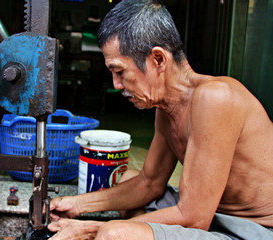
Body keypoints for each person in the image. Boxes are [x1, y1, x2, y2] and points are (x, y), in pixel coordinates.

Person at [47, 0, 273, 239]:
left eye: (120, 71)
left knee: (115, 234)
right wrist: (76, 204)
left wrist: (92, 229)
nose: (116, 84)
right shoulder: (167, 109)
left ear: (158, 59)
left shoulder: (216, 97)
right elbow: (149, 182)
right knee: (131, 178)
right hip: (212, 214)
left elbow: (195, 217)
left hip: (255, 229)